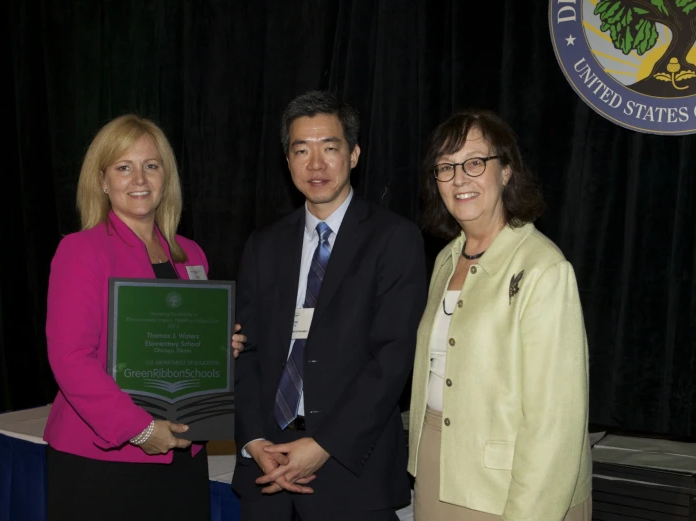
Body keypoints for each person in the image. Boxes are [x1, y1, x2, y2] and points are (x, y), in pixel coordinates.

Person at [231, 90, 426, 521]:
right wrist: (254, 442)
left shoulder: (394, 240)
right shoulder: (264, 245)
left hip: (351, 472)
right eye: (301, 150)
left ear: (354, 154)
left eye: (329, 148)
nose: (315, 164)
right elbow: (245, 353)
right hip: (269, 472)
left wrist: (324, 446)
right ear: (287, 161)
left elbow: (392, 359)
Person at [44, 114, 237, 521]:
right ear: (101, 179)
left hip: (184, 451)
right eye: (123, 167)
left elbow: (188, 348)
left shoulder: (190, 254)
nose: (139, 179)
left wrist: (220, 346)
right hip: (105, 461)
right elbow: (71, 359)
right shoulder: (81, 251)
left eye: (151, 165)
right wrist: (142, 429)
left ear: (166, 177)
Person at [407, 109, 592, 521]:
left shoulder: (544, 268)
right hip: (436, 467)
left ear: (506, 171)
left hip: (512, 486)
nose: (459, 179)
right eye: (446, 167)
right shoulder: (444, 260)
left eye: (475, 162)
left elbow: (555, 423)